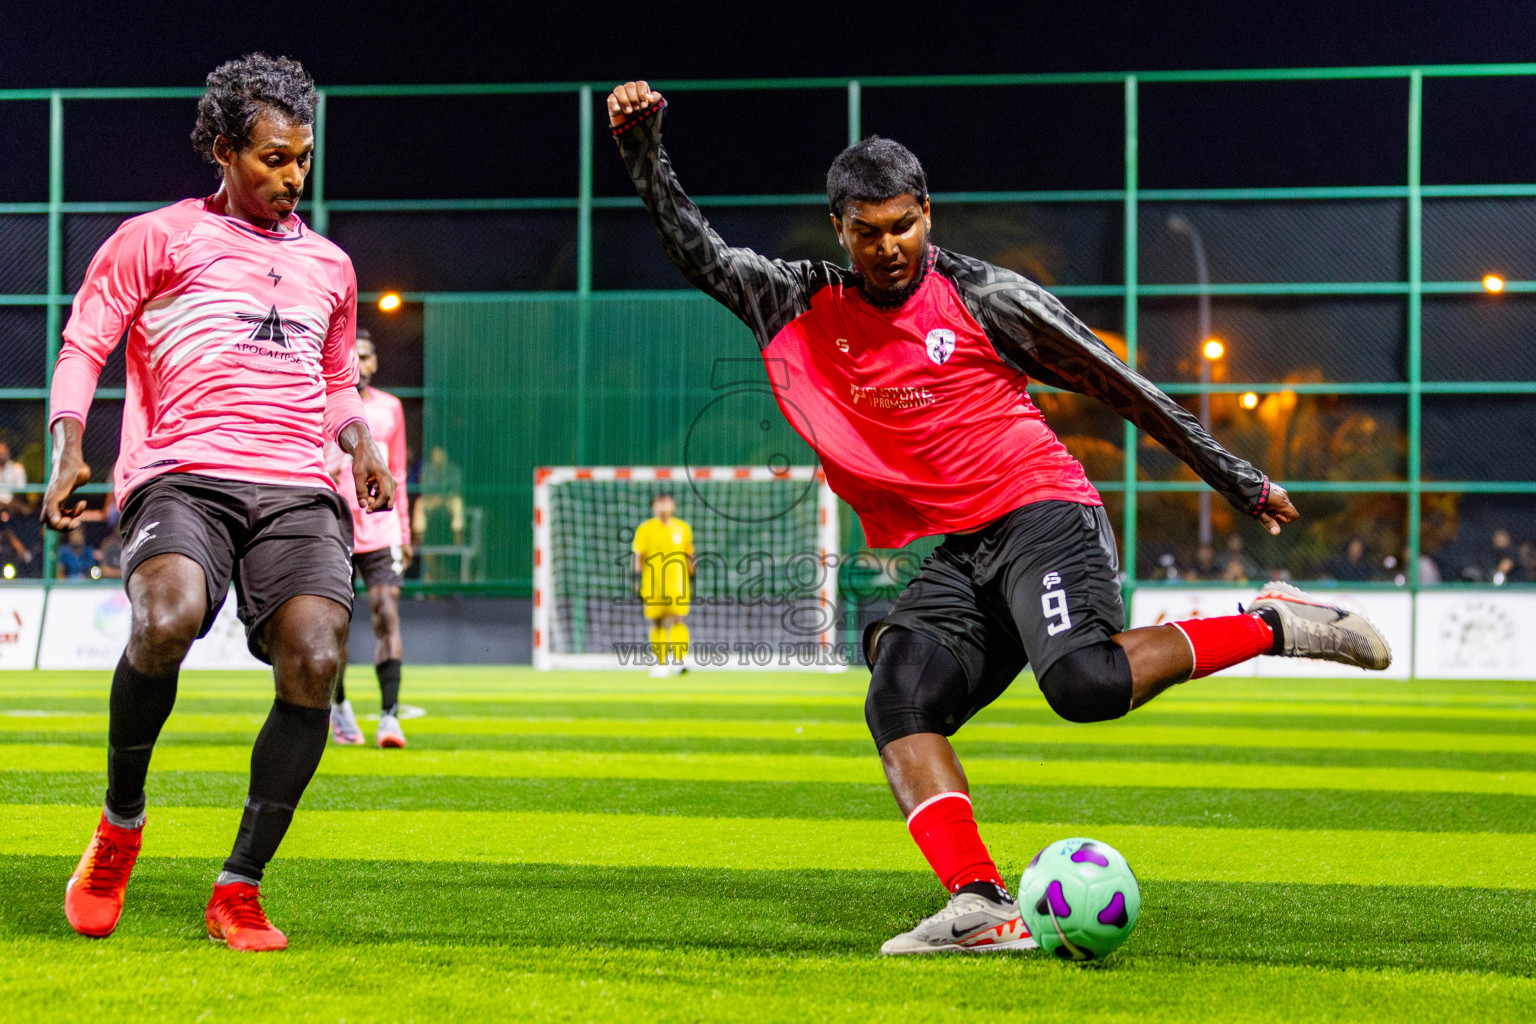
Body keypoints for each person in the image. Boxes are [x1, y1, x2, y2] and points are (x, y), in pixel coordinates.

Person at [609, 80, 1392, 955]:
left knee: (1085, 687)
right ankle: (980, 906)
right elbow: (699, 253)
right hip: (965, 548)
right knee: (897, 697)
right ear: (840, 228)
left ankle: (1273, 623)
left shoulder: (987, 298)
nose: (888, 247)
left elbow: (1116, 381)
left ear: (927, 214)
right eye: (867, 231)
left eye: (903, 224)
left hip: (1042, 510)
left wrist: (1236, 476)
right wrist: (644, 150)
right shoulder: (799, 299)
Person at [42, 54, 395, 953]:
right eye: (274, 157)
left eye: (303, 158)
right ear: (224, 151)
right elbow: (85, 341)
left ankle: (239, 886)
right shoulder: (153, 240)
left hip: (297, 488)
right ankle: (120, 827)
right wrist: (70, 440)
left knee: (317, 656)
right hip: (182, 473)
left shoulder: (331, 266)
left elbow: (334, 381)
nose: (293, 176)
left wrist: (359, 445)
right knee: (165, 620)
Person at [325, 329, 412, 747]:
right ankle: (340, 709)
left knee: (385, 611)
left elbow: (399, 473)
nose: (358, 363)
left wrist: (405, 530)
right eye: (351, 356)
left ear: (374, 362)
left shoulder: (391, 409)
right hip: (336, 526)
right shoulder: (323, 404)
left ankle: (389, 718)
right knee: (334, 625)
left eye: (364, 356)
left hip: (382, 526)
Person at [631, 492, 694, 677]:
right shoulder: (645, 529)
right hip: (652, 584)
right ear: (653, 507)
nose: (663, 506)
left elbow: (689, 554)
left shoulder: (683, 528)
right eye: (659, 503)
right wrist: (635, 579)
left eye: (666, 502)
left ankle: (679, 660)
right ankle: (661, 663)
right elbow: (638, 556)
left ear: (673, 506)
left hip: (677, 584)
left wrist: (693, 576)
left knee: (678, 619)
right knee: (656, 621)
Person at [412, 445, 465, 581]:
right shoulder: (427, 470)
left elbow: (456, 490)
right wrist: (433, 497)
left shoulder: (454, 470)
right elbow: (423, 489)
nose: (437, 456)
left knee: (457, 502)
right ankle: (419, 537)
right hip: (431, 503)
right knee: (420, 503)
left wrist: (443, 498)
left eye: (440, 453)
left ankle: (457, 535)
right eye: (435, 453)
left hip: (447, 502)